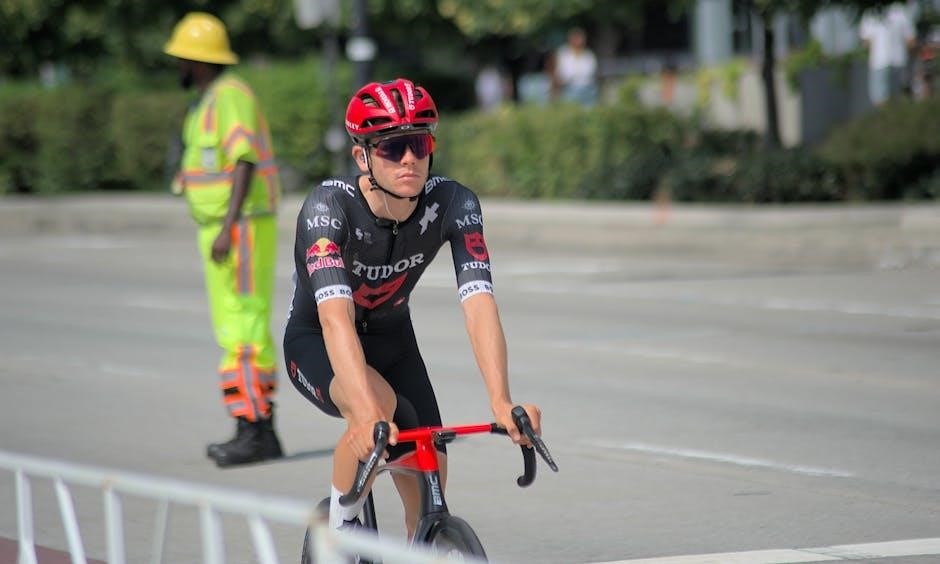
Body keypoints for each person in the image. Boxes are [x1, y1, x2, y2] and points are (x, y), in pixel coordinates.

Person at [283, 78, 543, 538]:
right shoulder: (328, 208)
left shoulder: (455, 203)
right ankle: (340, 530)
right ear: (362, 156)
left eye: (419, 144)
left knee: (430, 479)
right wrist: (364, 410)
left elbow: (479, 303)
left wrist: (501, 400)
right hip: (318, 341)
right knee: (377, 406)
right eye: (392, 147)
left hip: (393, 341)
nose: (409, 159)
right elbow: (334, 318)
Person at [164, 12, 284, 467]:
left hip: (241, 227)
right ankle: (253, 426)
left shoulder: (229, 96)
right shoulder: (207, 101)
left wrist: (229, 227)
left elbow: (244, 160)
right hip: (223, 228)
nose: (178, 65)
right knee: (234, 327)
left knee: (245, 327)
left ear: (198, 60)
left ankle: (255, 430)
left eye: (182, 58)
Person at [859, 2, 916, 105]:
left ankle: (886, 114)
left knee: (880, 99)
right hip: (899, 60)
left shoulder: (871, 12)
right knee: (900, 97)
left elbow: (866, 43)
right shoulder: (901, 11)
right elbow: (911, 41)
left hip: (879, 62)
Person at [553, 27, 598, 105]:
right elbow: (562, 72)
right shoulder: (563, 53)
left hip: (587, 86)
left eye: (580, 38)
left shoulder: (588, 54)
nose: (578, 41)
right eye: (576, 38)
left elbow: (591, 71)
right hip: (569, 87)